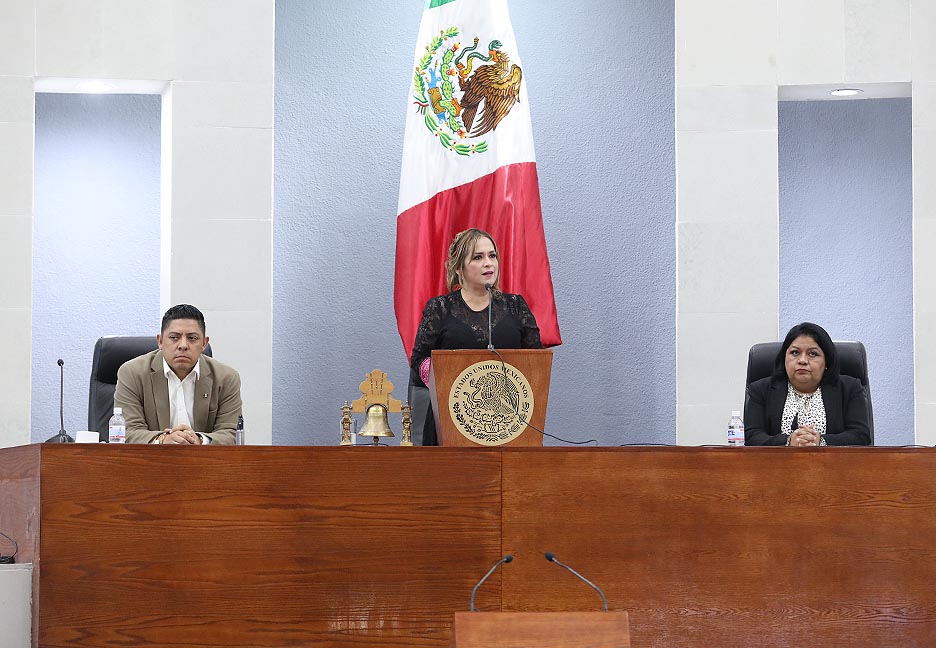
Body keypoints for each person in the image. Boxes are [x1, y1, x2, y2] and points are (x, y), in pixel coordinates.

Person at [410, 228, 543, 445]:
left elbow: (536, 363)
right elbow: (418, 360)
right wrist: (444, 379)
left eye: (492, 256)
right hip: (450, 422)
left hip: (509, 425)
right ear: (459, 268)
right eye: (478, 257)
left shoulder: (516, 306)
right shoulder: (440, 309)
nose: (488, 263)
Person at [115, 304, 243, 445]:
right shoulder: (132, 373)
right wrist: (164, 440)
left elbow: (232, 433)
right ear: (160, 341)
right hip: (150, 458)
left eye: (192, 338)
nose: (183, 345)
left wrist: (200, 440)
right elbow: (127, 431)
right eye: (174, 337)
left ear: (204, 344)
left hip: (203, 458)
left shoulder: (226, 378)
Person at [744, 322, 871, 446]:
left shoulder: (849, 388)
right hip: (776, 461)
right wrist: (788, 442)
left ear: (826, 361)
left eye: (812, 354)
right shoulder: (761, 390)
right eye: (795, 353)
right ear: (784, 358)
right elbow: (752, 437)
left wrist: (820, 441)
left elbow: (860, 435)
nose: (802, 360)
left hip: (834, 460)